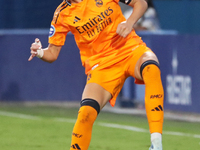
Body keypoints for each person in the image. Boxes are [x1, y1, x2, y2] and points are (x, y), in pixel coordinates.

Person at [28, 0, 164, 150]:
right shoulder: (62, 13)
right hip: (101, 66)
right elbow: (53, 53)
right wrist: (40, 52)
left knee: (151, 67)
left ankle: (156, 144)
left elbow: (141, 3)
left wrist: (129, 22)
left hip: (129, 49)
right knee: (86, 112)